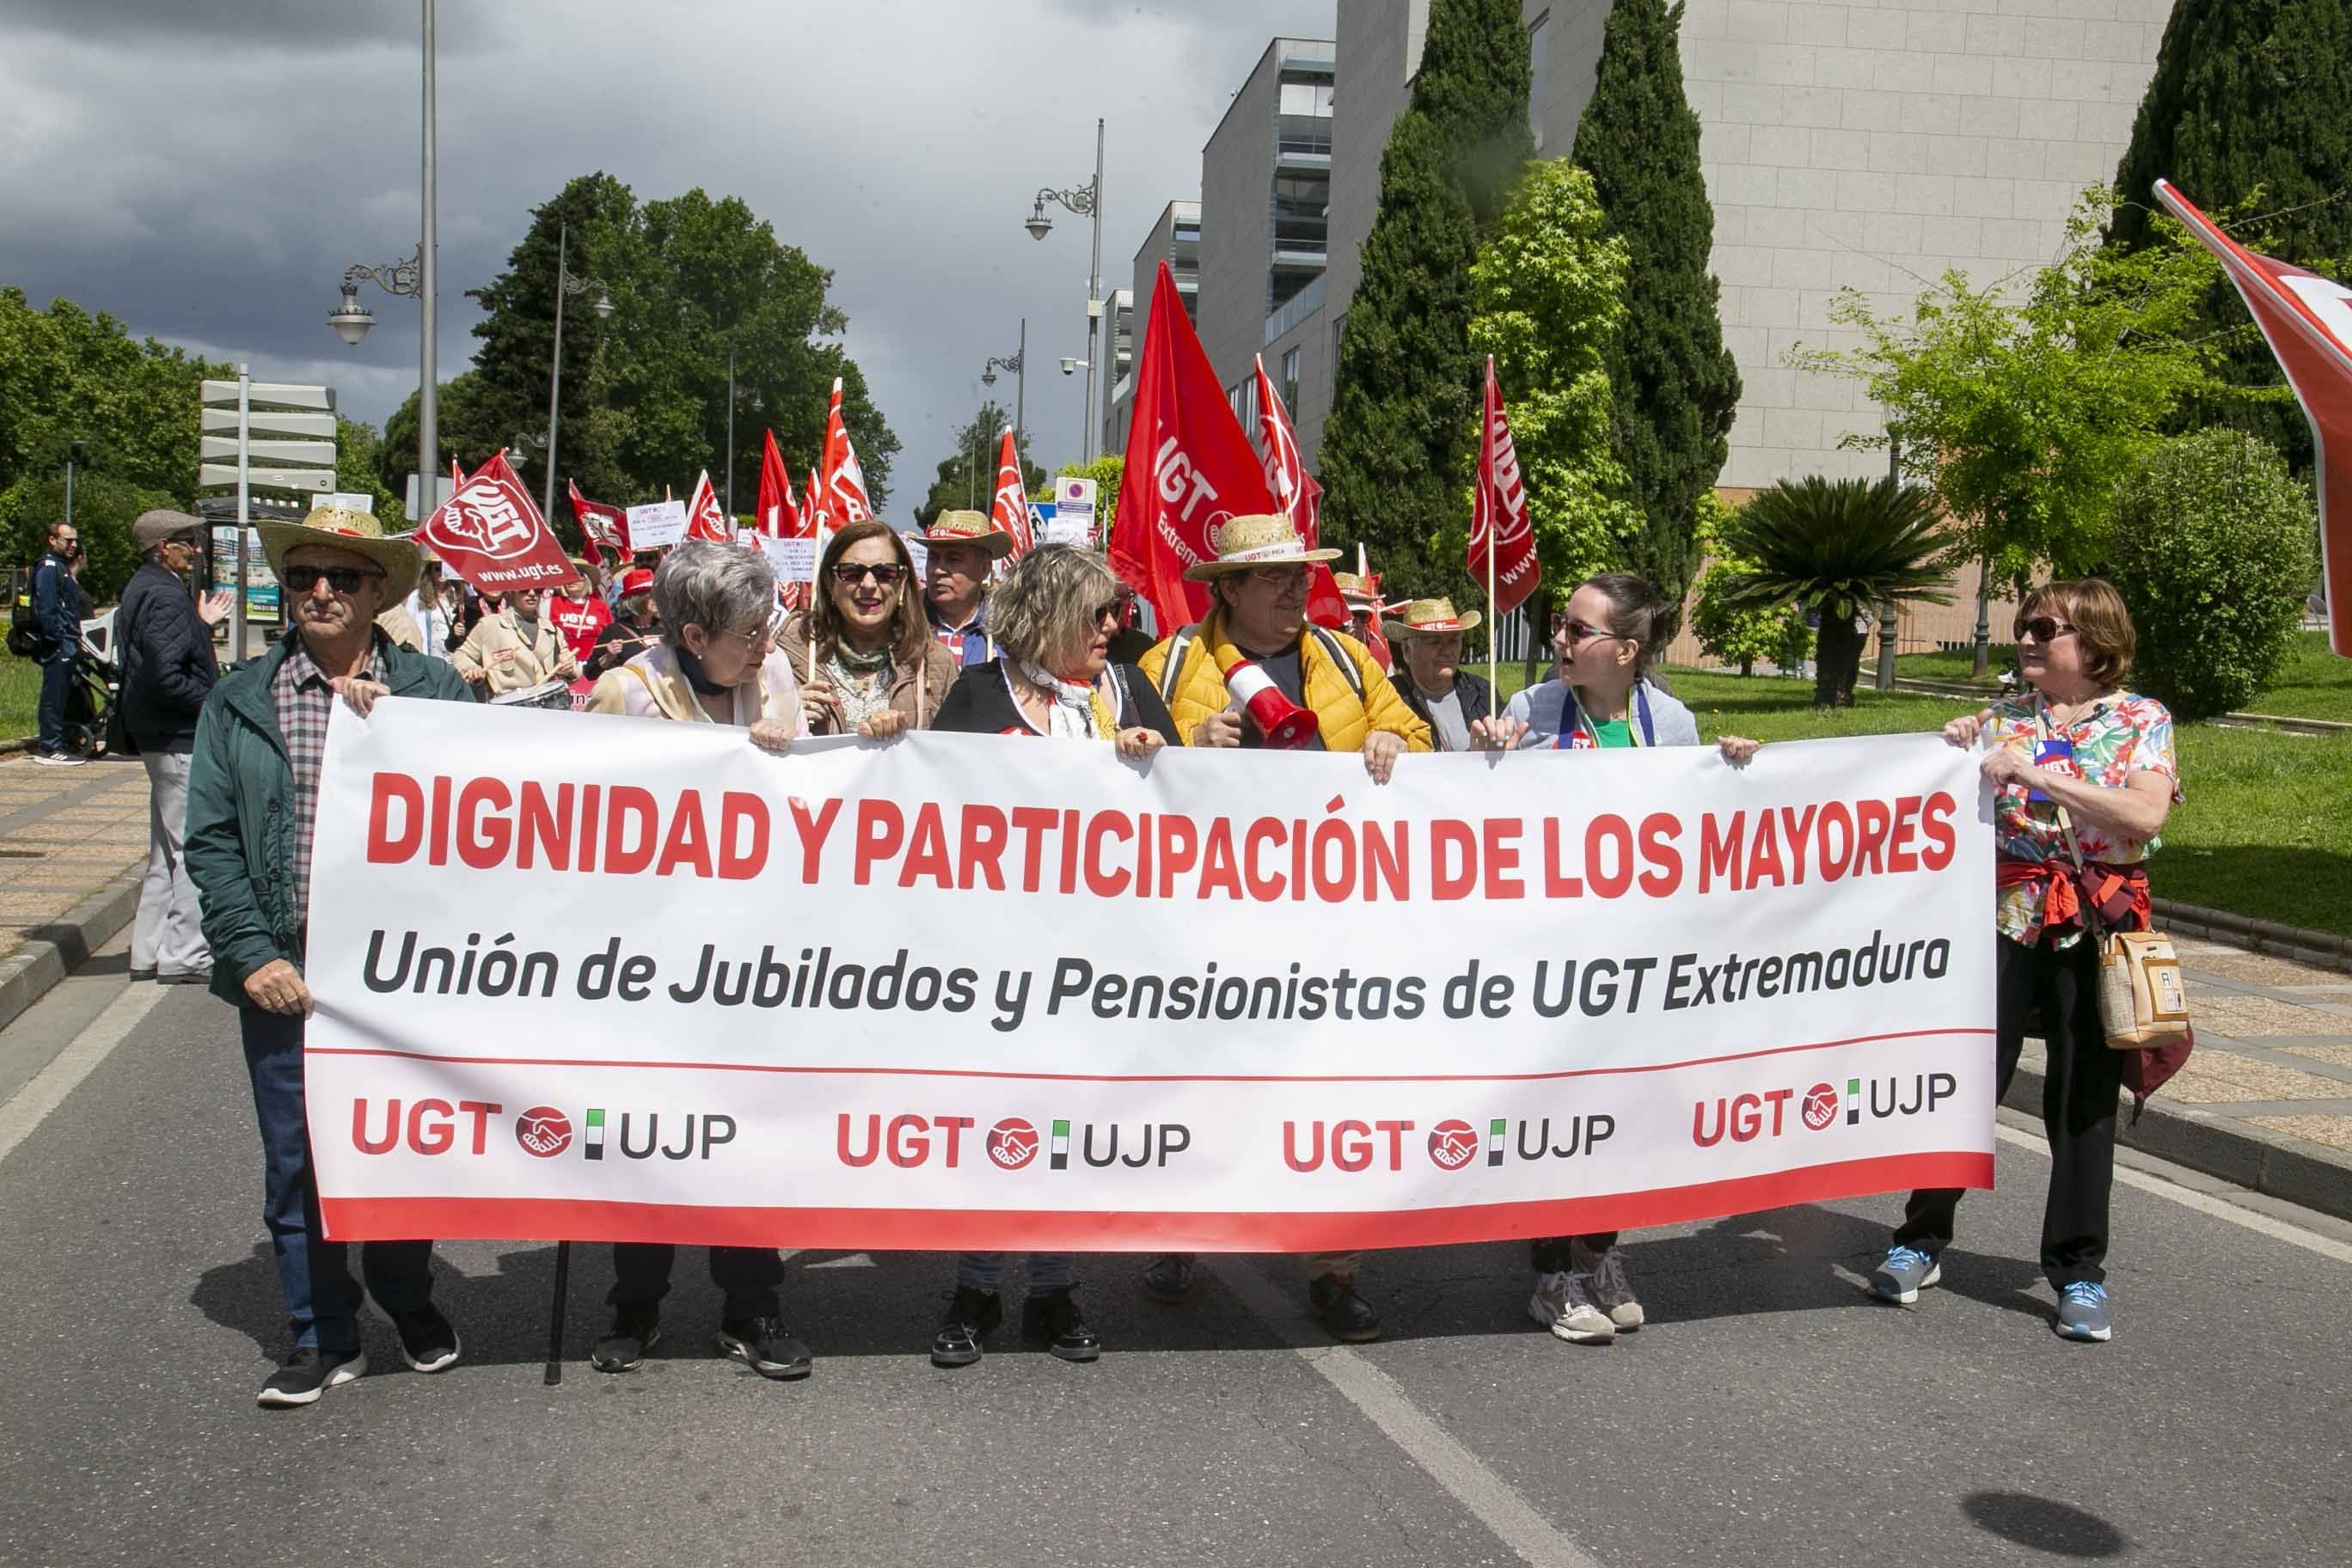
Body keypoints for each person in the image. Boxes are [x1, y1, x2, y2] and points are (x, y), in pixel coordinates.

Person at [182, 503, 474, 1407]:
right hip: (287, 971)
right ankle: (321, 1334)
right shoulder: (241, 699)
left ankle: (405, 1297)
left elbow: (488, 816)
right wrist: (250, 951)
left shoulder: (435, 691)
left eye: (341, 578)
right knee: (297, 1160)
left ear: (378, 592)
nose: (319, 591)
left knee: (394, 1153)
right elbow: (212, 839)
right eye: (303, 575)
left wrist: (397, 737)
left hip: (398, 975)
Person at [1137, 513, 1430, 1343]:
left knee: (1326, 1088)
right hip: (1209, 919)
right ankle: (1182, 1238)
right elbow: (1117, 765)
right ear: (1226, 590)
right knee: (1203, 1081)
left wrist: (1389, 737)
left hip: (1327, 920)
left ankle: (1333, 1272)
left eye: (1301, 575)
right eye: (1275, 578)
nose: (1298, 589)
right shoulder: (1171, 663)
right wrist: (1184, 744)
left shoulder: (1343, 657)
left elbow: (1413, 737)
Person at [1867, 579, 2178, 1344]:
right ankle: (1921, 1239)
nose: (2029, 640)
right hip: (1999, 924)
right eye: (2023, 627)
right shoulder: (2002, 719)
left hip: (2091, 932)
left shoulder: (2142, 720)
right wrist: (1948, 752)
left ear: (2096, 641)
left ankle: (2078, 1271)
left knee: (2081, 1104)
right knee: (1964, 1085)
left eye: (2047, 628)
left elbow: (2143, 816)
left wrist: (2036, 775)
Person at [1475, 572, 1758, 1343]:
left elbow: (1699, 831)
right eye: (1560, 626)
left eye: (1577, 631)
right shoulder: (1529, 709)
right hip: (1549, 958)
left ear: (1627, 650)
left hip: (1633, 963)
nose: (1558, 641)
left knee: (1622, 1115)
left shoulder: (1669, 721)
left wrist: (1734, 767)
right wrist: (1487, 758)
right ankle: (1551, 1276)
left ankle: (1601, 1252)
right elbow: (1476, 822)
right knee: (1553, 1115)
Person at [925, 546, 1179, 1368]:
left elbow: (1192, 806)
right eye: (1097, 611)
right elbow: (928, 815)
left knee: (1073, 1128)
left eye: (1116, 611)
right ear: (1049, 612)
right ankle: (975, 1288)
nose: (1114, 626)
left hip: (1107, 959)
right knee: (1002, 1128)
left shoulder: (1130, 690)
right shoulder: (978, 693)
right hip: (1001, 958)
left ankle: (1053, 1291)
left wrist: (1158, 761)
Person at [580, 540, 815, 1381]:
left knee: (746, 1141)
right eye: (748, 632)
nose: (764, 645)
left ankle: (752, 1306)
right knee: (648, 1140)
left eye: (766, 626)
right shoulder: (626, 695)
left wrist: (788, 751)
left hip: (753, 967)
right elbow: (577, 822)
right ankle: (634, 1308)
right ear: (690, 631)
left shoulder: (774, 679)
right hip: (653, 967)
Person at [116, 510, 234, 984]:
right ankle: (184, 953)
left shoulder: (145, 587)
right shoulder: (164, 595)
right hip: (178, 734)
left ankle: (147, 951)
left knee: (165, 850)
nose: (197, 550)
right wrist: (214, 702)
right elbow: (164, 674)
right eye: (188, 543)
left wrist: (200, 625)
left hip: (157, 734)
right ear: (164, 547)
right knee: (192, 846)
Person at [778, 519, 956, 738]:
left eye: (885, 573)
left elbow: (952, 757)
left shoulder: (937, 663)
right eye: (852, 572)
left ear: (901, 582)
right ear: (829, 582)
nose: (869, 584)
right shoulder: (785, 654)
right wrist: (785, 712)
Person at [1384, 597, 1491, 752]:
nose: (1447, 651)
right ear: (1407, 651)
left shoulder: (1482, 691)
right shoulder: (1389, 696)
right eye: (1434, 642)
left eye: (1453, 640)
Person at [911, 508, 1014, 668]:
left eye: (953, 559)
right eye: (933, 558)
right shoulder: (906, 622)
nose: (938, 570)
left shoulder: (1007, 629)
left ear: (984, 569)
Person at [452, 579, 575, 696]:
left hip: (545, 706)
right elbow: (461, 655)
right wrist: (471, 668)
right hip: (504, 707)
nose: (532, 594)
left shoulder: (553, 631)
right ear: (512, 592)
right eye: (524, 589)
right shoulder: (490, 625)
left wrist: (568, 670)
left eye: (538, 589)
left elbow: (571, 666)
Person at [30, 518, 87, 765]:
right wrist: (57, 638)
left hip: (67, 640)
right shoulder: (49, 567)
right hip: (58, 643)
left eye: (75, 540)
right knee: (53, 694)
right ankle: (49, 747)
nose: (73, 544)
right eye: (68, 540)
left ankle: (58, 740)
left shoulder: (61, 566)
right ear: (52, 540)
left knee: (64, 693)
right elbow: (47, 608)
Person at [586, 567, 658, 679]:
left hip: (662, 694)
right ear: (637, 599)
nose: (658, 599)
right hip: (628, 694)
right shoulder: (614, 631)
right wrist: (608, 657)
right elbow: (589, 674)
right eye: (652, 596)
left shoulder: (666, 628)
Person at [549, 560, 612, 671]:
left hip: (593, 663)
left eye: (578, 575)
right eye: (569, 575)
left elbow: (610, 635)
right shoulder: (552, 603)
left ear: (587, 579)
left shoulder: (601, 606)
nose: (572, 579)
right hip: (561, 663)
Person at [1331, 568, 1393, 673]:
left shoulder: (1378, 654)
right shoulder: (1317, 646)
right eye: (1351, 614)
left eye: (1363, 616)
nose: (1357, 623)